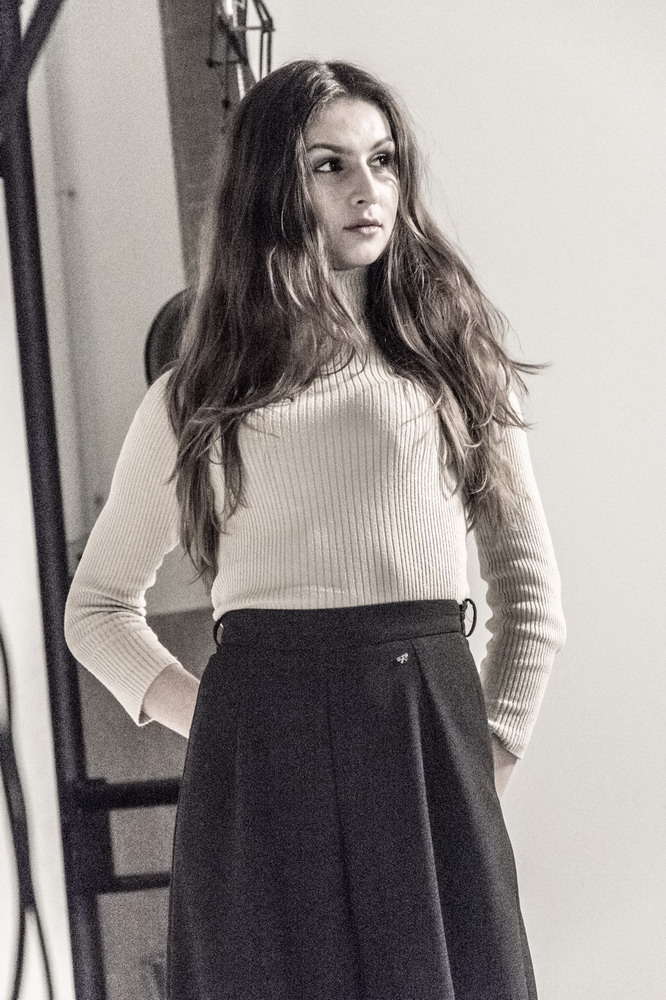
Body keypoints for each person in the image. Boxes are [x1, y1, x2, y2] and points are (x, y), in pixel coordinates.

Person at [64, 58, 566, 1000]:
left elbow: (531, 596)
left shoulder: (454, 366)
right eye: (328, 165)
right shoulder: (194, 396)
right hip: (259, 764)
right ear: (270, 187)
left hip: (427, 738)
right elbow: (95, 609)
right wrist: (215, 720)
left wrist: (488, 748)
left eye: (383, 159)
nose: (367, 189)